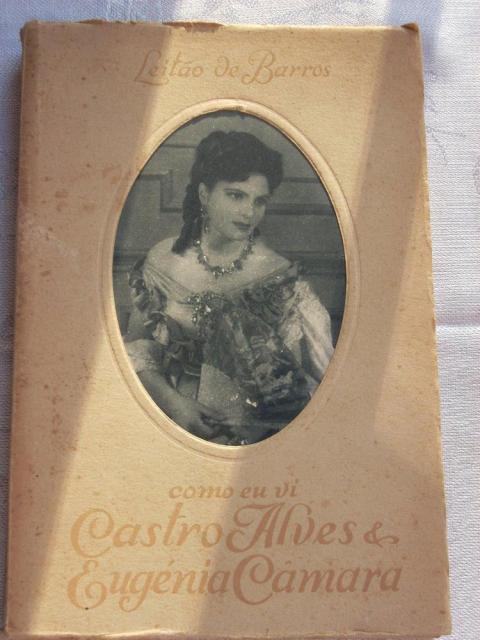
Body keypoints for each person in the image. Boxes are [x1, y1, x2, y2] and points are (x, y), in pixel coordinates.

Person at [124, 130, 333, 445]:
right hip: (168, 419)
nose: (249, 213)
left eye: (259, 201)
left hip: (250, 436)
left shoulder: (280, 278)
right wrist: (175, 404)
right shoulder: (162, 260)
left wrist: (252, 426)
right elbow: (137, 348)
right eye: (236, 196)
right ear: (204, 194)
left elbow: (291, 389)